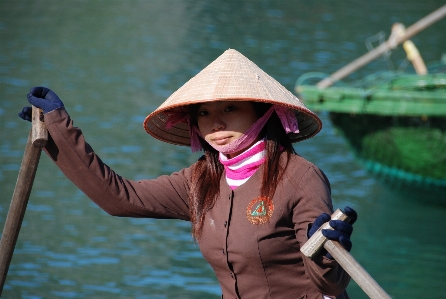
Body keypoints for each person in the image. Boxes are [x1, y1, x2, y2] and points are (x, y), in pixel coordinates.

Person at [19, 49, 357, 299]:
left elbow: (330, 283)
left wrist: (325, 251)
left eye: (230, 108)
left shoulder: (300, 177)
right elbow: (117, 198)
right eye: (204, 113)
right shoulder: (199, 181)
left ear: (264, 113)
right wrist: (57, 128)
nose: (216, 123)